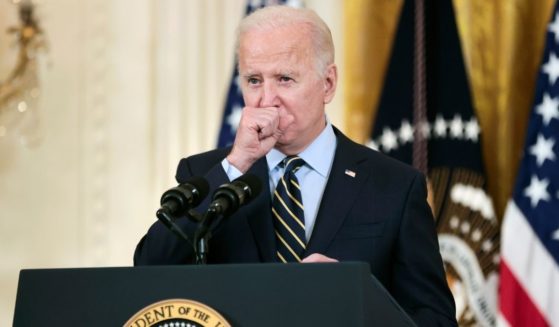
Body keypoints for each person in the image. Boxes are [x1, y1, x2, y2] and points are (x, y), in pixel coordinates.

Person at [135, 5, 457, 326]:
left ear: (328, 83)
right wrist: (236, 164)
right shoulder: (205, 174)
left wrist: (354, 296)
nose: (266, 99)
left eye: (285, 79)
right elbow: (148, 273)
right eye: (254, 80)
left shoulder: (394, 187)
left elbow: (436, 319)